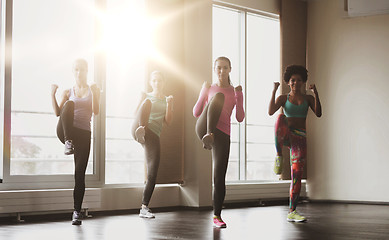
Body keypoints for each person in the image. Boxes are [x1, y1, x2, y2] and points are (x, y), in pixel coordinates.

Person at [193, 56, 245, 228]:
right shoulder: (210, 88)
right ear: (214, 69)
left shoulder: (233, 90)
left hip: (223, 134)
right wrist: (203, 91)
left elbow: (239, 117)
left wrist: (240, 96)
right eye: (218, 68)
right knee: (218, 97)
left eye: (225, 68)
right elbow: (196, 112)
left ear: (230, 69)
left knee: (219, 176)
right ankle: (209, 135)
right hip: (204, 128)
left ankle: (217, 216)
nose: (221, 71)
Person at [268, 65, 322, 222]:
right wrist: (273, 91)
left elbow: (318, 113)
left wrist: (316, 93)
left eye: (299, 80)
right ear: (288, 82)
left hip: (300, 138)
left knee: (296, 174)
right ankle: (279, 156)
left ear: (303, 82)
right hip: (286, 134)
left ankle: (292, 211)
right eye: (292, 80)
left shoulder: (308, 99)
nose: (295, 83)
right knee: (280, 118)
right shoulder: (283, 98)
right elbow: (271, 111)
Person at [51, 58, 100, 225]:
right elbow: (58, 112)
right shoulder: (68, 91)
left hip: (84, 134)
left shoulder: (92, 90)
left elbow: (96, 111)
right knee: (70, 104)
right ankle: (67, 142)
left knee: (79, 175)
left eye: (82, 70)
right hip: (66, 131)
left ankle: (76, 212)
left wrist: (97, 94)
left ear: (87, 71)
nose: (79, 73)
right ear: (73, 72)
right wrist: (52, 94)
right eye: (76, 70)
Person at [132, 71, 173, 218]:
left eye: (160, 80)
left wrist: (169, 104)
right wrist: (141, 99)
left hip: (153, 134)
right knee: (147, 103)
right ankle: (141, 131)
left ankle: (144, 207)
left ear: (163, 82)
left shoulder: (166, 99)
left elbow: (168, 121)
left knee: (153, 171)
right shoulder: (147, 97)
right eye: (154, 81)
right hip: (139, 127)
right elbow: (135, 113)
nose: (157, 83)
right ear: (151, 82)